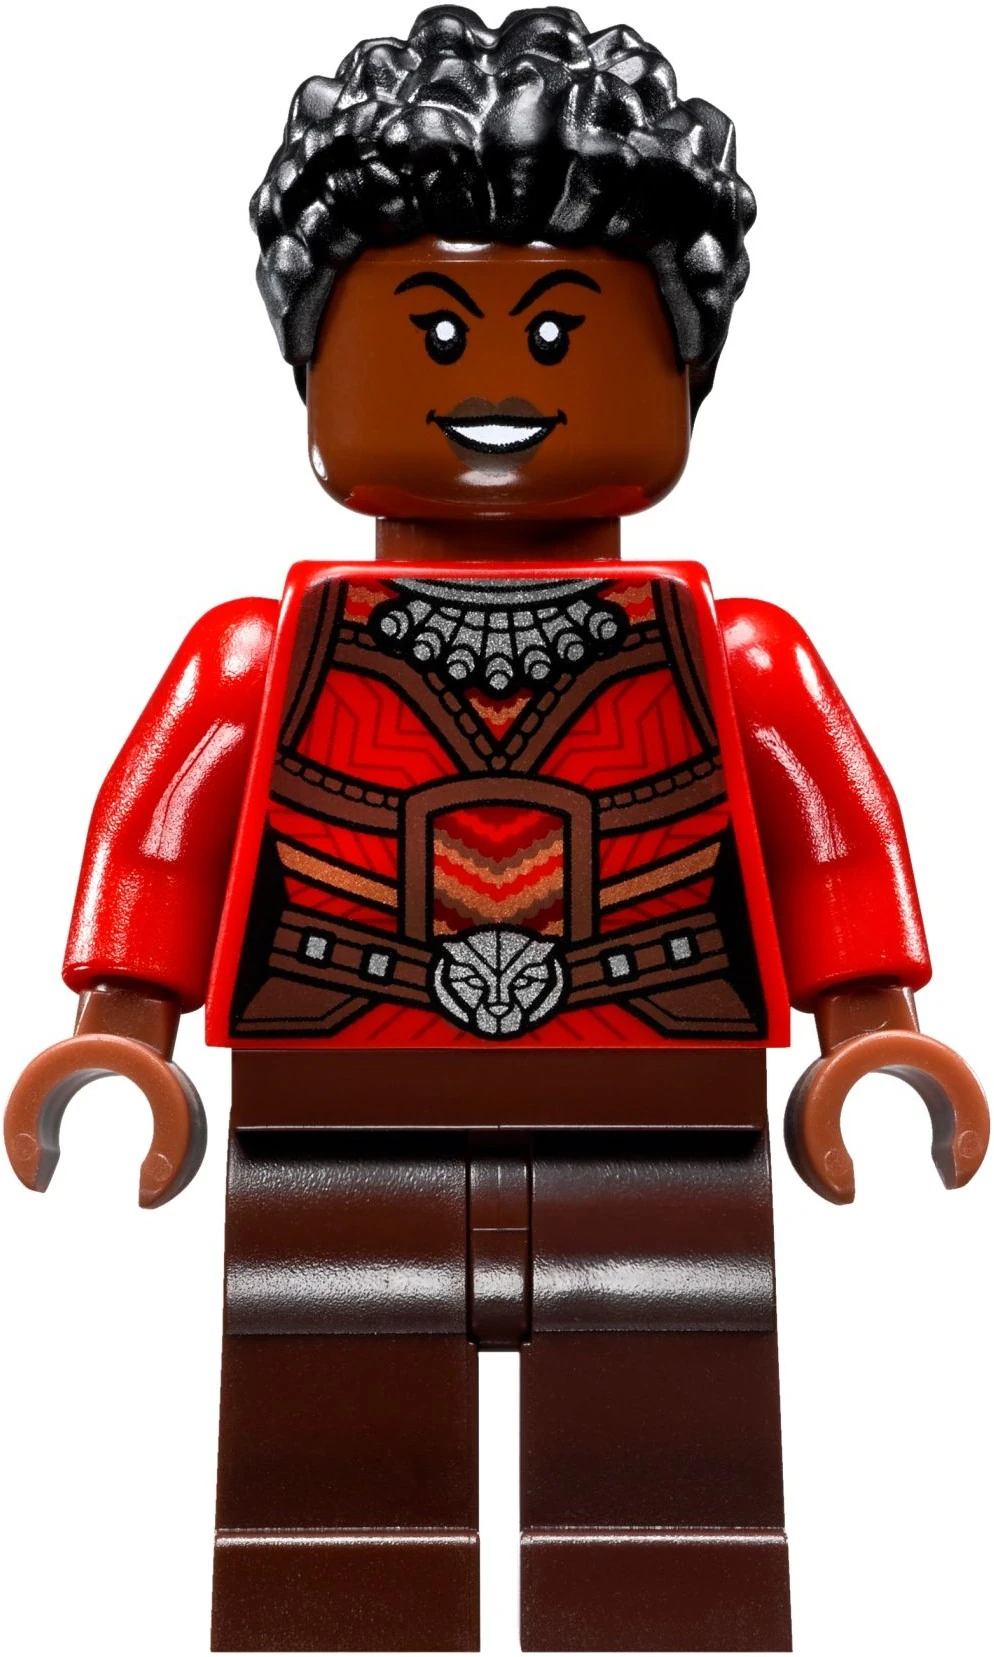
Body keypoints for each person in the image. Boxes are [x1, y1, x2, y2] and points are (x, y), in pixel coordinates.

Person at [5, 8, 987, 1651]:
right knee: (327, 1488)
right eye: (435, 333)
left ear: (680, 370)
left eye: (557, 336)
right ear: (315, 366)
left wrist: (870, 1029)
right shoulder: (260, 654)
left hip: (663, 1125)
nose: (496, 387)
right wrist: (119, 1032)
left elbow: (828, 832)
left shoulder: (733, 654)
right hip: (332, 1123)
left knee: (668, 1484)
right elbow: (163, 832)